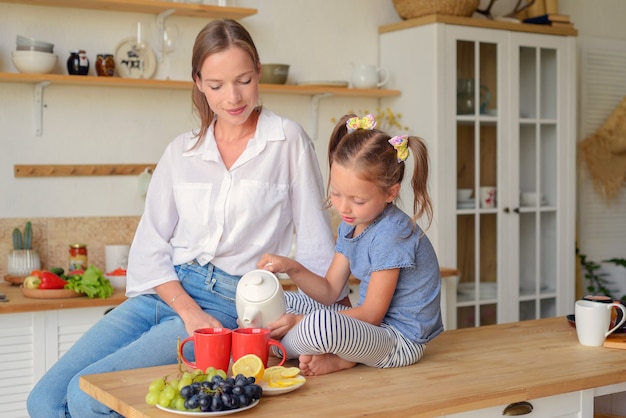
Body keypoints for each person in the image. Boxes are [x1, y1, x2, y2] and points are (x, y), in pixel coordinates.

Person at [26, 19, 343, 417]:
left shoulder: (288, 140)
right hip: (167, 290)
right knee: (42, 401)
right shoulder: (182, 152)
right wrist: (188, 310)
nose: (232, 97)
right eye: (216, 85)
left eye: (243, 80)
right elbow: (150, 245)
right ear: (197, 82)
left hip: (230, 303)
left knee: (87, 398)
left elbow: (316, 243)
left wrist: (338, 328)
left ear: (258, 71)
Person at [258, 114, 443, 376]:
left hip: (398, 341)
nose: (344, 207)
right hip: (367, 331)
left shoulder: (391, 234)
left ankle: (279, 346)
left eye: (357, 200)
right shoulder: (352, 221)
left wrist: (301, 323)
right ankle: (331, 353)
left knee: (319, 325)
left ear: (390, 193)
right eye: (336, 193)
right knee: (281, 299)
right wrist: (291, 267)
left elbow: (371, 315)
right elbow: (330, 291)